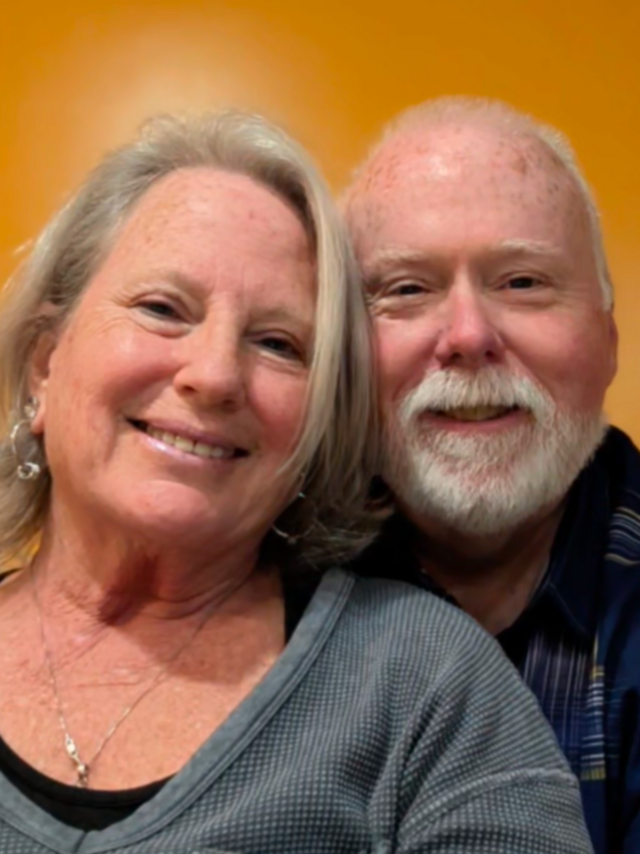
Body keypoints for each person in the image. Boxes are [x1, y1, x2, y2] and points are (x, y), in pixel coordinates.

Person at [0, 109, 591, 854]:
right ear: (44, 366)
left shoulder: (426, 685)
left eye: (278, 344)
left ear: (319, 424)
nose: (215, 375)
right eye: (162, 309)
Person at [344, 95, 640, 854]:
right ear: (336, 352)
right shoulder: (248, 583)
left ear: (608, 340)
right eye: (407, 289)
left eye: (523, 282)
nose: (469, 336)